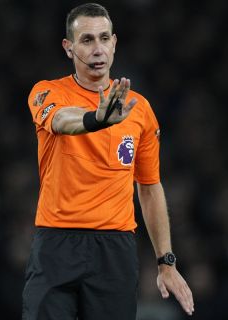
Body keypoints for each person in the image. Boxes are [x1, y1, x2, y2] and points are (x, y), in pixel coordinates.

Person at [23, 3, 194, 319]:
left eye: (103, 38)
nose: (97, 48)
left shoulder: (138, 109)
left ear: (114, 42)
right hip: (56, 244)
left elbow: (150, 187)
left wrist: (166, 261)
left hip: (114, 249)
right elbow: (61, 120)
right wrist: (96, 119)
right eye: (86, 40)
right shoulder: (46, 92)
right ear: (69, 48)